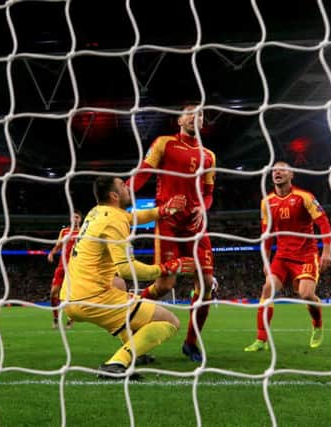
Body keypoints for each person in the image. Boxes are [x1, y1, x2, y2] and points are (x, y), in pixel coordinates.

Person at [60, 176, 195, 379]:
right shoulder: (114, 221)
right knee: (170, 322)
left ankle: (132, 349)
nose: (128, 188)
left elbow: (134, 218)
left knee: (119, 285)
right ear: (114, 196)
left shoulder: (97, 212)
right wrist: (166, 268)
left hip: (71, 295)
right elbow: (126, 268)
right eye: (123, 186)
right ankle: (117, 363)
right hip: (93, 298)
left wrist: (162, 211)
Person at [127, 105, 217, 362]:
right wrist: (123, 191)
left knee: (207, 284)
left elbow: (209, 192)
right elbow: (144, 173)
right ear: (179, 119)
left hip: (196, 226)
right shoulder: (164, 143)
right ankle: (128, 311)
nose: (194, 117)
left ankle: (190, 343)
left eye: (200, 114)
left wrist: (203, 206)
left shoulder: (209, 155)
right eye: (190, 112)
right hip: (168, 222)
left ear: (202, 122)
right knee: (166, 284)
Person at [244, 161, 331, 352]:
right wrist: (265, 261)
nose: (277, 172)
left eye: (282, 170)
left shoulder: (304, 197)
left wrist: (327, 251)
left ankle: (317, 324)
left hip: (306, 255)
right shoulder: (266, 202)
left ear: (291, 174)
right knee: (267, 288)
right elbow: (266, 234)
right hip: (282, 257)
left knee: (306, 294)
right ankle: (261, 339)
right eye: (274, 170)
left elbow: (324, 223)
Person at [47, 210, 82, 329]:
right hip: (62, 266)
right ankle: (56, 318)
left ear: (80, 219)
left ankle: (71, 319)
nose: (75, 219)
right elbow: (58, 245)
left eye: (77, 217)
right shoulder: (64, 231)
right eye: (73, 217)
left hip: (76, 268)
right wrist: (51, 253)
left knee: (73, 295)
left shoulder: (84, 232)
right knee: (53, 292)